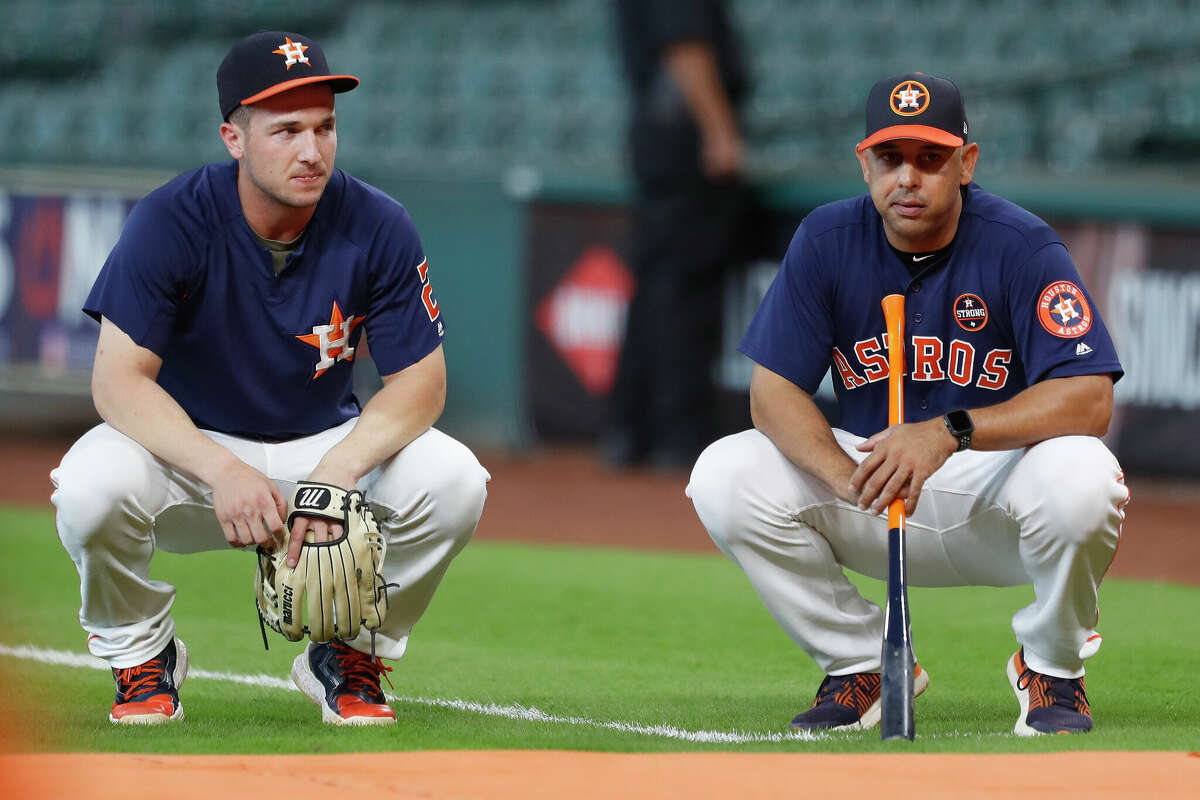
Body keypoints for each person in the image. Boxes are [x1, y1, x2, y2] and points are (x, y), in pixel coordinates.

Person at [50, 31, 490, 726]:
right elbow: (118, 384)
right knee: (88, 486)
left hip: (320, 448)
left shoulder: (378, 223)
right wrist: (220, 469)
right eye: (286, 130)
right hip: (188, 458)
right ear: (234, 138)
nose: (311, 151)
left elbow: (422, 384)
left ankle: (349, 656)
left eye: (324, 127)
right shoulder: (173, 218)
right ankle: (142, 655)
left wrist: (342, 468)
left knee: (456, 481)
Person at [686, 73, 1128, 735]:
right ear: (864, 163)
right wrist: (847, 480)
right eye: (890, 160)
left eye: (931, 159)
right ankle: (860, 661)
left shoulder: (1022, 246)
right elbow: (772, 393)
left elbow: (1090, 399)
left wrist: (949, 430)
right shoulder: (827, 239)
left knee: (1086, 476)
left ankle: (1052, 668)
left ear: (966, 164)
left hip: (996, 492)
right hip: (874, 484)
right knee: (723, 473)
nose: (908, 179)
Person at [606, 0, 749, 469]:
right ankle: (676, 433)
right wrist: (720, 132)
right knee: (681, 291)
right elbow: (685, 46)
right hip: (684, 142)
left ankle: (631, 429)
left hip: (660, 136)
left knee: (656, 287)